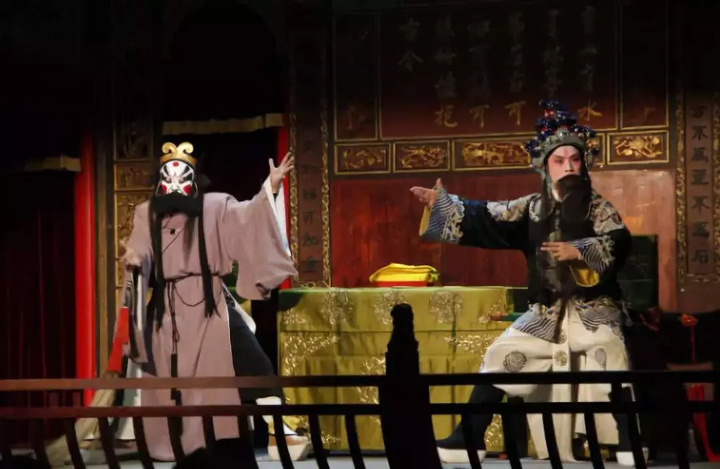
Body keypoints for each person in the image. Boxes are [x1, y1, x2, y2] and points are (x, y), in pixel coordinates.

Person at [411, 100, 644, 466]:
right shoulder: (531, 208)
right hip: (545, 311)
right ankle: (468, 437)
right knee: (500, 354)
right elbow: (488, 217)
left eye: (574, 159)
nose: (568, 166)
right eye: (559, 160)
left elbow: (620, 241)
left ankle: (629, 440)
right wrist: (442, 205)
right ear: (545, 166)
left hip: (594, 308)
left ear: (584, 164)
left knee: (610, 352)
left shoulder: (598, 208)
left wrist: (580, 250)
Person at [120, 141, 299, 461]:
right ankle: (159, 438)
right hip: (167, 308)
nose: (175, 183)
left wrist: (269, 188)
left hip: (210, 302)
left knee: (250, 359)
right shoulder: (147, 213)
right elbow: (141, 250)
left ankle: (279, 430)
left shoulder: (215, 207)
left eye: (182, 177)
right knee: (149, 363)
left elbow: (249, 217)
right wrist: (135, 260)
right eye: (169, 177)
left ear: (193, 180)